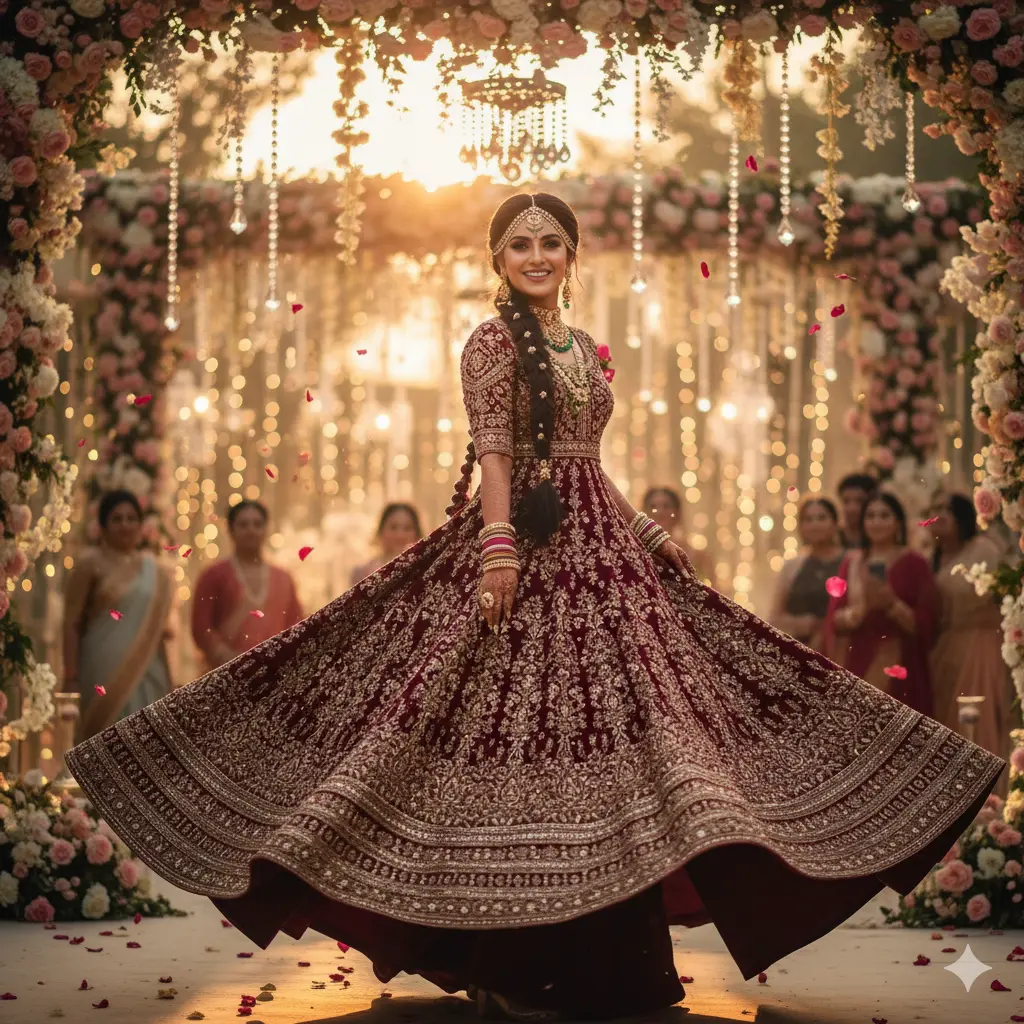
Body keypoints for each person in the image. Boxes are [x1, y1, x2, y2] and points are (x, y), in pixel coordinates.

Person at [67, 194, 1003, 1022]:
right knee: (519, 740)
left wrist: (648, 535)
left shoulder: (583, 347)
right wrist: (500, 549)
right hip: (531, 558)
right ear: (497, 259)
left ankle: (612, 963)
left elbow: (591, 463)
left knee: (641, 738)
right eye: (520, 243)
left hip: (606, 554)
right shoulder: (488, 342)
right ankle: (508, 950)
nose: (538, 255)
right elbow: (499, 458)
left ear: (573, 252)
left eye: (551, 241)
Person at [63, 490, 174, 741]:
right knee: (102, 743)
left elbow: (157, 634)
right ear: (102, 526)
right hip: (100, 671)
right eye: (117, 519)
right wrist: (70, 677)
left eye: (131, 518)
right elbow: (71, 623)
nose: (125, 525)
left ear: (141, 525)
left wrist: (168, 682)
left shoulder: (156, 570)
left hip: (148, 671)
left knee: (148, 744)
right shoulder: (90, 563)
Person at [823, 492, 938, 716]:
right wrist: (861, 611)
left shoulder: (915, 563)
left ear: (898, 523)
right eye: (871, 516)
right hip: (856, 660)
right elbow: (834, 619)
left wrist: (891, 604)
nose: (876, 522)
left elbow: (925, 623)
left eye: (884, 516)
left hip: (901, 662)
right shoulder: (852, 562)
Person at [928, 492, 1013, 795]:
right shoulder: (934, 554)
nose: (937, 516)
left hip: (980, 645)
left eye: (944, 510)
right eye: (934, 510)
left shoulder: (984, 549)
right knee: (946, 726)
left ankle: (981, 803)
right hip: (946, 647)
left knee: (975, 724)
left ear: (962, 518)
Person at [190, 500, 304, 671]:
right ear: (231, 530)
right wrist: (226, 657)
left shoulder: (283, 578)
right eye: (243, 525)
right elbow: (201, 627)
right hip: (225, 674)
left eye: (257, 524)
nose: (251, 530)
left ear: (266, 530)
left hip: (274, 674)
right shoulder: (213, 575)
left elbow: (296, 625)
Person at [770, 497, 845, 654]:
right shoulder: (792, 566)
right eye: (808, 519)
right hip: (799, 652)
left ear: (835, 524)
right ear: (801, 527)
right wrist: (798, 624)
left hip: (840, 652)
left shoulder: (850, 562)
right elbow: (774, 618)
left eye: (822, 518)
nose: (815, 525)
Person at [642, 486, 713, 583]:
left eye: (666, 506)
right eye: (653, 507)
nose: (660, 512)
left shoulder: (698, 556)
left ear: (677, 512)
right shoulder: (638, 550)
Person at [349, 503, 424, 587]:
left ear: (417, 533)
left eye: (407, 528)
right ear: (381, 531)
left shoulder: (425, 571)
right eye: (393, 527)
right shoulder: (362, 573)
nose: (400, 535)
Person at [836, 472, 877, 549]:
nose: (852, 508)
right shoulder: (833, 539)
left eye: (859, 501)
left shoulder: (879, 539)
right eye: (846, 501)